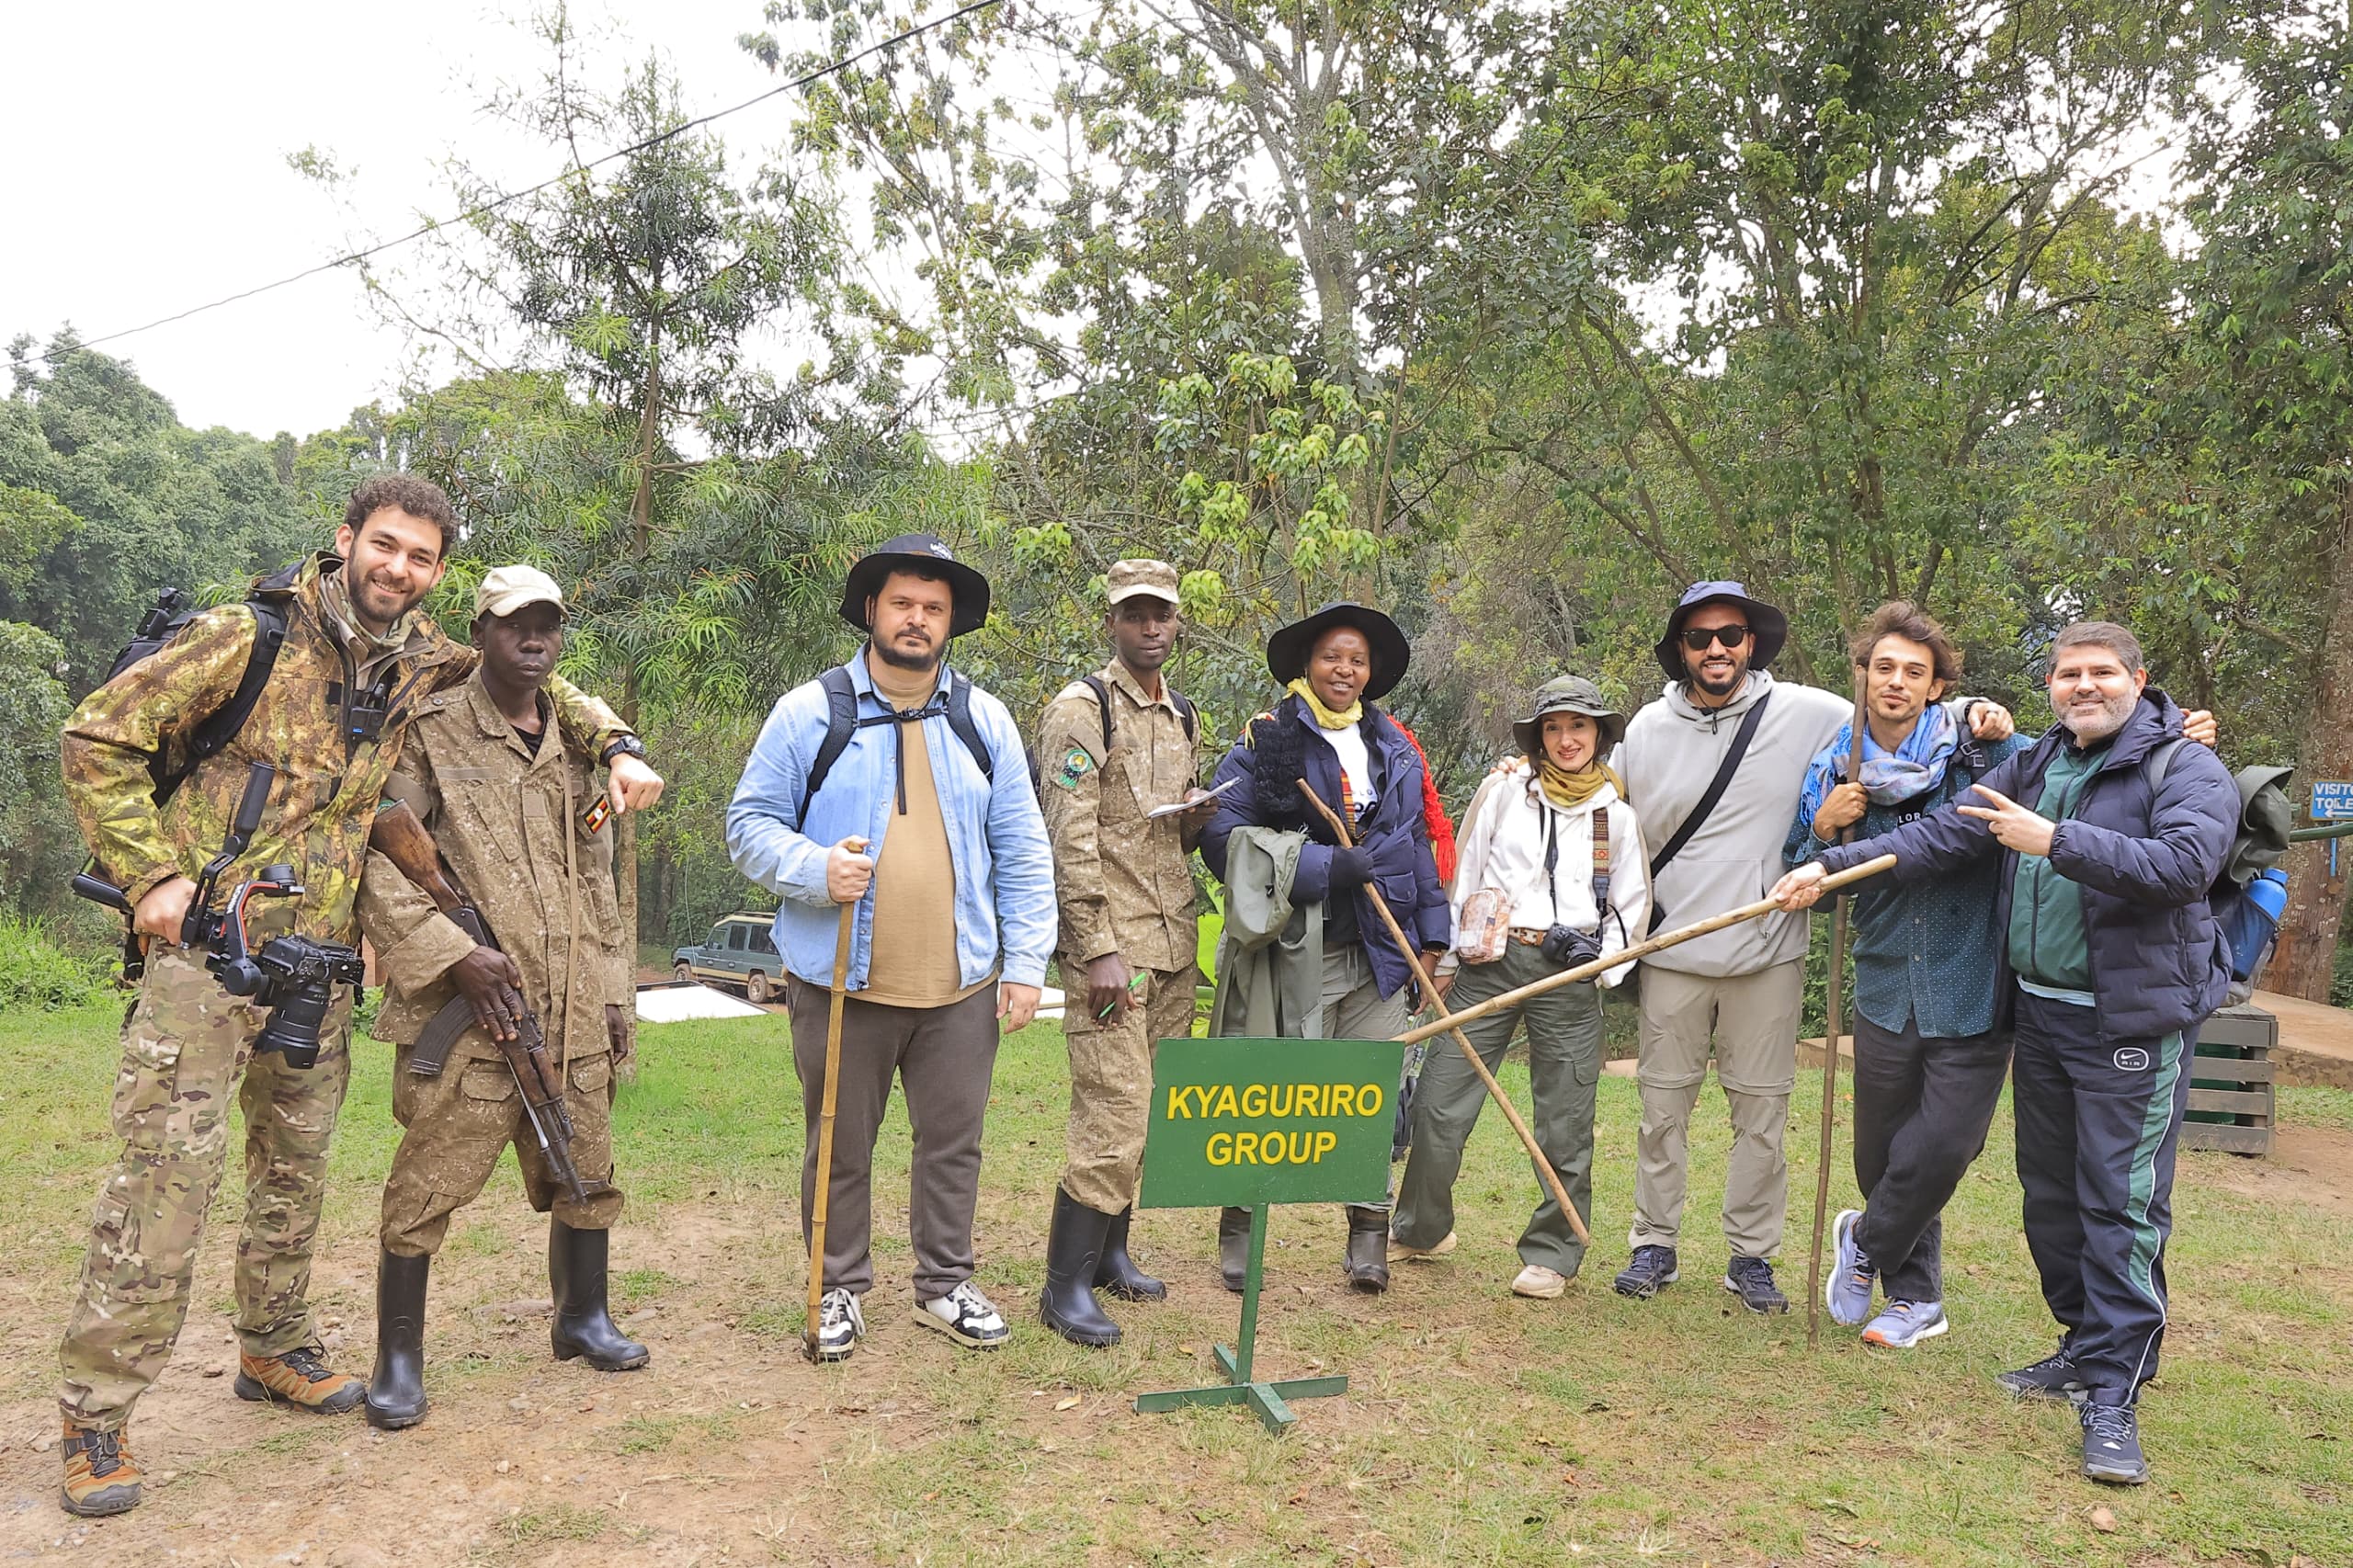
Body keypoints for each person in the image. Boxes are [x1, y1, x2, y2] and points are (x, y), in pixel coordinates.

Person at [51, 477, 652, 1517]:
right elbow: (99, 736)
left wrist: (617, 740)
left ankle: (273, 1343)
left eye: (420, 557)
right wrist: (153, 878)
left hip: (319, 962)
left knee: (293, 1173)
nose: (398, 569)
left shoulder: (426, 659)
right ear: (346, 542)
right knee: (163, 1186)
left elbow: (542, 680)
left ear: (438, 575)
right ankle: (96, 1412)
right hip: (207, 954)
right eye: (385, 546)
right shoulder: (247, 636)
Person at [1775, 619, 2236, 1486]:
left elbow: (2183, 867)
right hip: (2045, 1017)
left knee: (2120, 1205)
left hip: (2130, 1024)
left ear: (2138, 680)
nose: (2084, 686)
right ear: (2052, 685)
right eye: (2069, 674)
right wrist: (1834, 869)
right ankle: (2080, 1346)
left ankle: (2114, 1392)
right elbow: (1944, 835)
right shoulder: (2041, 762)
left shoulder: (2185, 767)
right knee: (2052, 1196)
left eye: (2102, 672)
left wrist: (2053, 840)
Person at [1610, 580, 2016, 1313]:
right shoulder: (1642, 728)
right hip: (1672, 947)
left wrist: (1974, 711)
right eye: (1699, 638)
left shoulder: (1807, 711)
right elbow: (1605, 806)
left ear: (1751, 643)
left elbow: (1907, 708)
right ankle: (1653, 1244)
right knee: (1661, 1110)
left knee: (1762, 1116)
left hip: (1768, 950)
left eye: (1730, 635)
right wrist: (1528, 773)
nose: (1716, 649)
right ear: (1679, 649)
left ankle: (1751, 1258)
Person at [726, 533, 1055, 1362]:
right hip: (843, 983)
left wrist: (1024, 966)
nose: (917, 619)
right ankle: (837, 1285)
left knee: (954, 1143)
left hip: (962, 986)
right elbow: (748, 825)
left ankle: (944, 1285)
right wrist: (812, 867)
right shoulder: (813, 711)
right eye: (902, 603)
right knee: (838, 1140)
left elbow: (1022, 848)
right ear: (872, 610)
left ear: (952, 623)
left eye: (933, 608)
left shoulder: (985, 720)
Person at [355, 566, 656, 1429]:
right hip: (472, 1010)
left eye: (549, 626)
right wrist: (454, 956)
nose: (533, 640)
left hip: (568, 1005)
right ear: (479, 632)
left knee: (585, 1166)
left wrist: (608, 991)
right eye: (515, 625)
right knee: (427, 1188)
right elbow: (379, 855)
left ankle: (582, 1319)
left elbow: (595, 875)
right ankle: (399, 1357)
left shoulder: (576, 738)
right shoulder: (430, 730)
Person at [1785, 604, 2029, 1347]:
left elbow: (2065, 762)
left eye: (1913, 673)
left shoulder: (1981, 748)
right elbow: (1802, 867)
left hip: (1974, 975)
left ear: (1937, 686)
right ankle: (1915, 1299)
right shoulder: (1836, 764)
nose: (1895, 682)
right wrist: (1824, 827)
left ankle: (1867, 1242)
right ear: (1860, 676)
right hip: (1887, 975)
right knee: (1882, 1151)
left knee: (1947, 1145)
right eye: (1883, 667)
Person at [1199, 601, 1450, 1293]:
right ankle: (1241, 1231)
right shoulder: (1269, 739)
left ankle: (1368, 1234)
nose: (1345, 669)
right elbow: (1221, 837)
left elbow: (1413, 847)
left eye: (1358, 659)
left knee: (1371, 1091)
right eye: (1333, 656)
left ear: (1371, 673)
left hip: (1379, 955)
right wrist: (1317, 869)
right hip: (1294, 953)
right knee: (1270, 1092)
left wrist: (1434, 935)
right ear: (1308, 663)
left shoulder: (1394, 746)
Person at [1391, 676, 1652, 1299]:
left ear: (1599, 736)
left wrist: (1601, 965)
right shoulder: (1504, 793)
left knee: (1565, 1118)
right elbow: (1469, 874)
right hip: (1491, 963)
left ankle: (1553, 1253)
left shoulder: (1615, 817)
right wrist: (1451, 958)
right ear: (1538, 738)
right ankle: (1421, 1229)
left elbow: (1630, 906)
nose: (1567, 739)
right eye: (1554, 728)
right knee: (1438, 1100)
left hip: (1568, 976)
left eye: (1579, 727)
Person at [1033, 560, 1221, 1346]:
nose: (1151, 627)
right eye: (1135, 614)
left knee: (1151, 1116)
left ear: (1177, 622)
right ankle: (1063, 1286)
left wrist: (1204, 813)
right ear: (1111, 621)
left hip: (1173, 940)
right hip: (1113, 952)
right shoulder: (1081, 709)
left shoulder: (1180, 713)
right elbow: (1068, 836)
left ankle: (1112, 1254)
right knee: (1114, 1114)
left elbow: (1167, 833)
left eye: (1163, 615)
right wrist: (1095, 948)